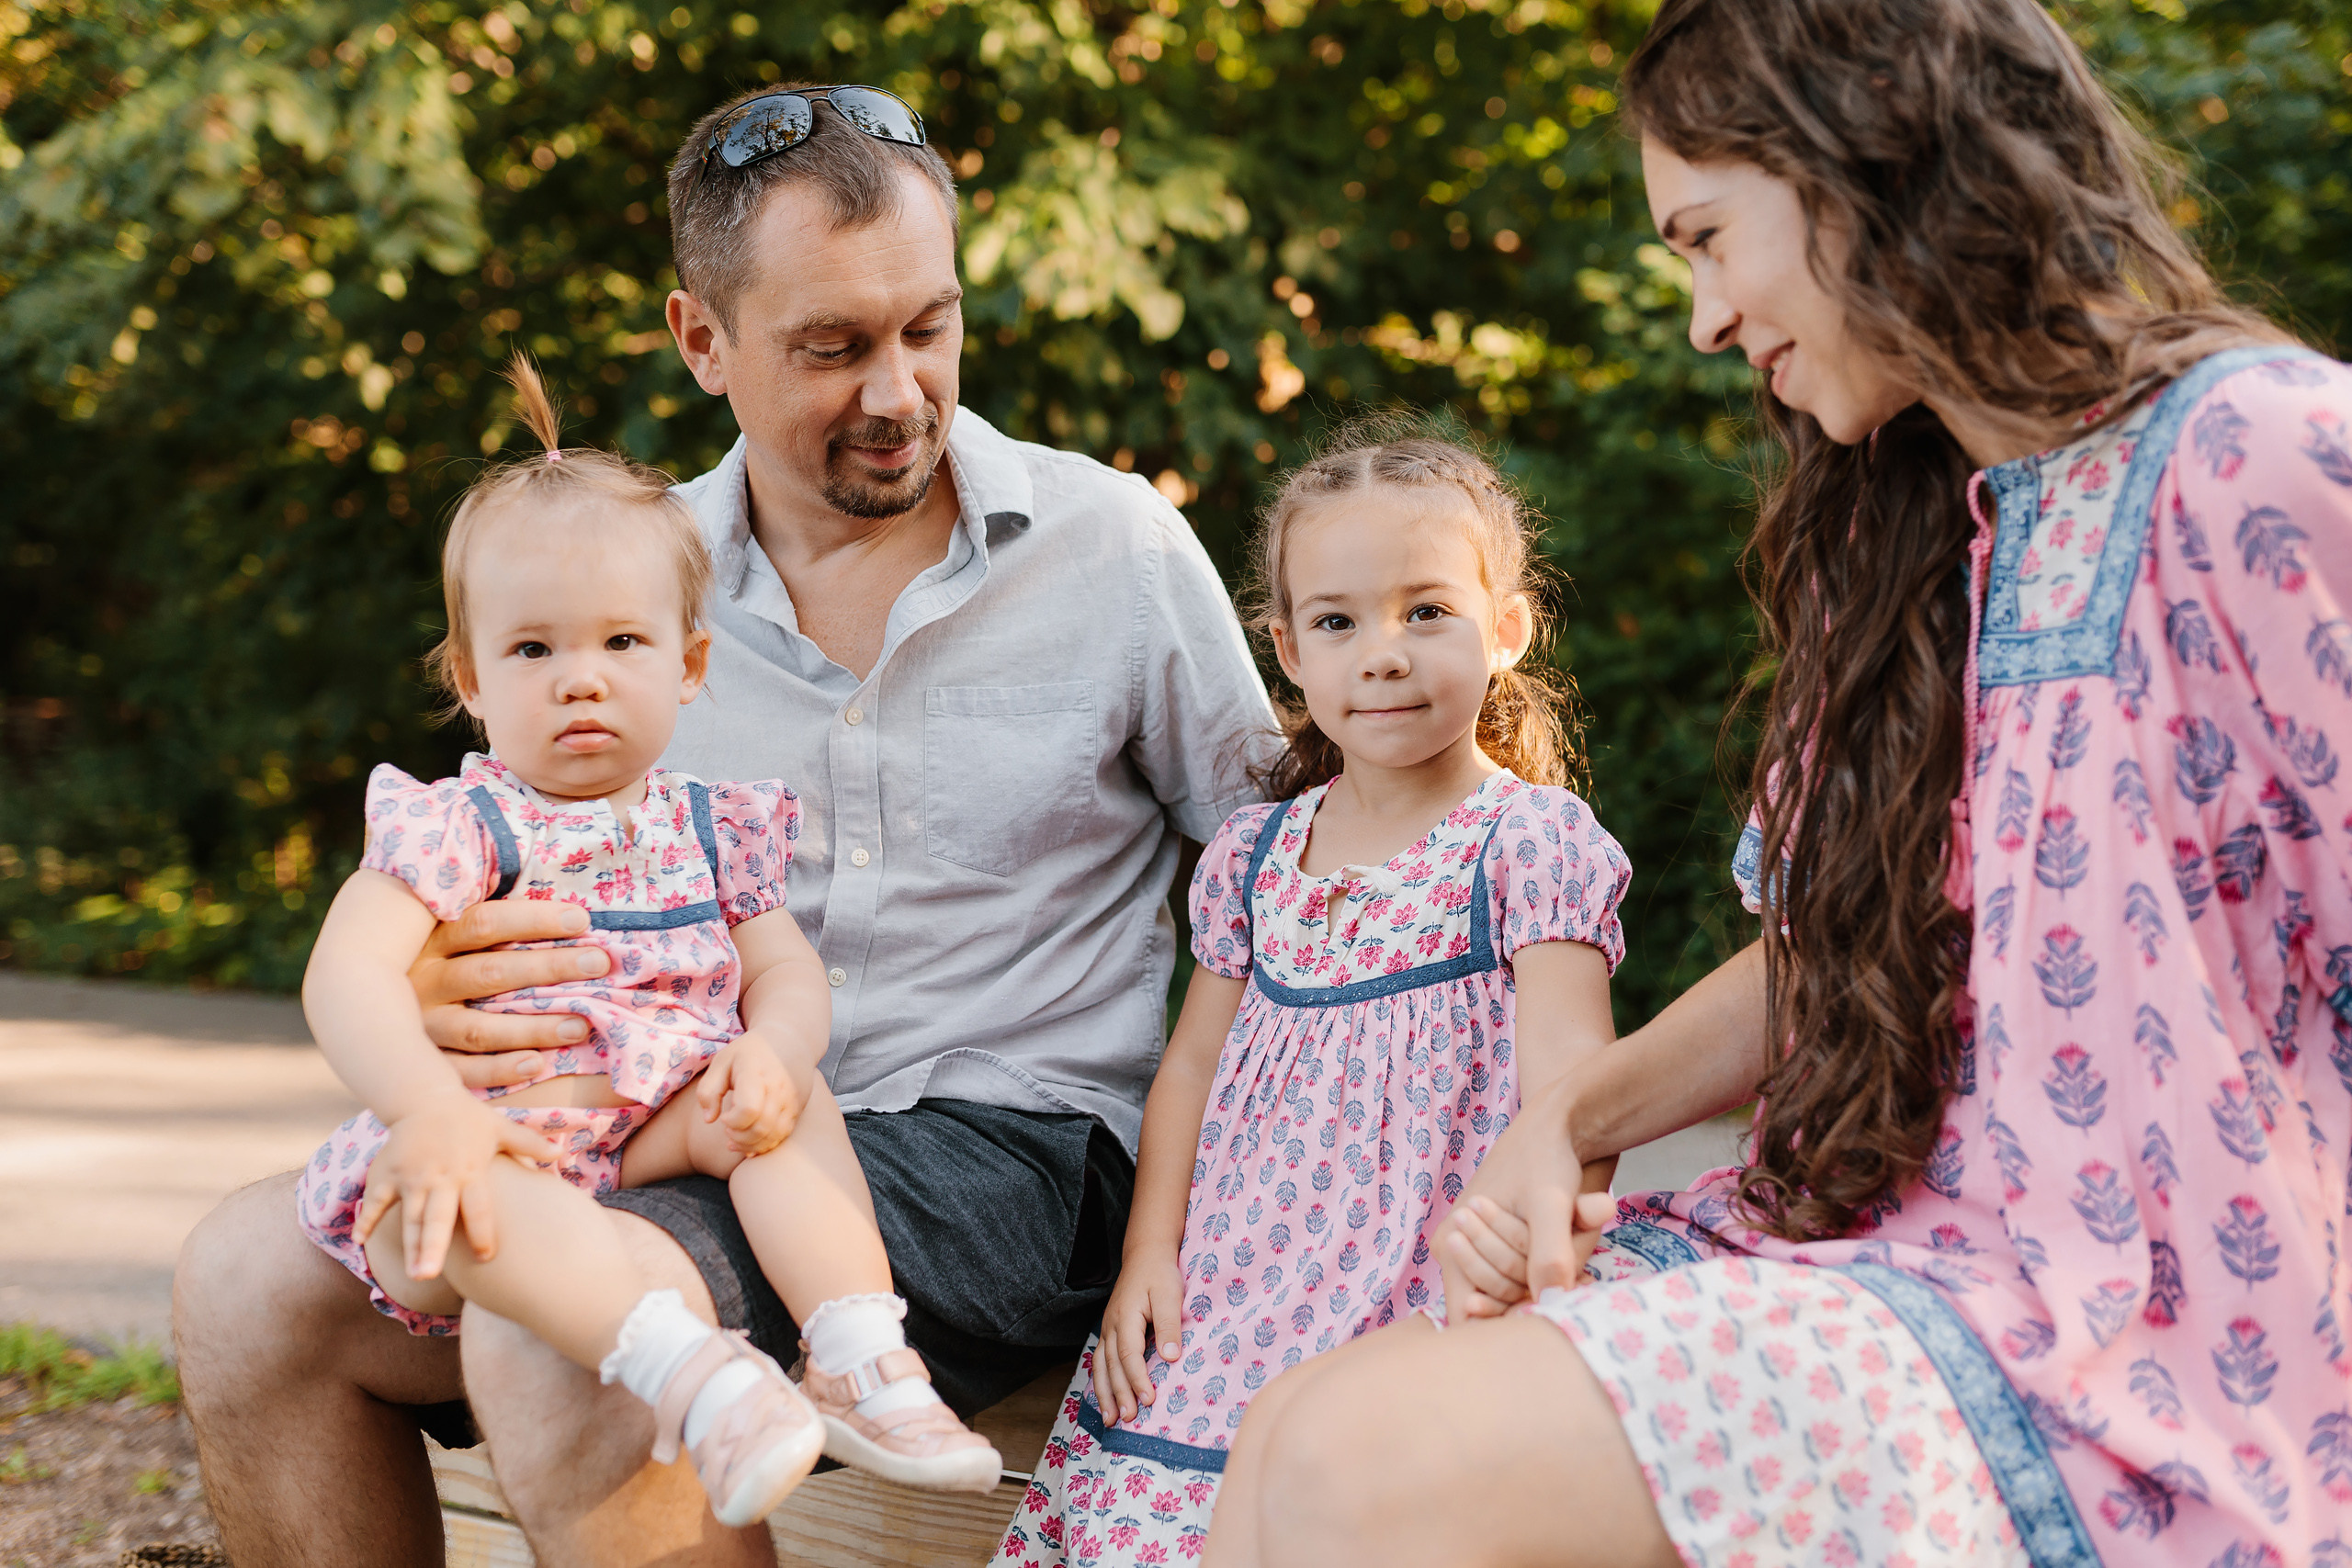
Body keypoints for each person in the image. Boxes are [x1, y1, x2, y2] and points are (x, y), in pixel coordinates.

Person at [1200, 3, 2352, 1567]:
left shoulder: (2264, 452)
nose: (1703, 317)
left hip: (2160, 1360)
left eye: (1708, 238)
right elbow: (1840, 954)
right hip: (1910, 1256)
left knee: (1362, 1463)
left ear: (1861, 157)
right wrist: (1569, 1120)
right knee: (1285, 1430)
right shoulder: (1915, 540)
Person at [174, 84, 1274, 1567]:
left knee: (568, 1345)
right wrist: (429, 996)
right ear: (703, 339)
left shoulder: (1113, 546)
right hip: (649, 1118)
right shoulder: (623, 593)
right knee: (247, 1275)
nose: (896, 391)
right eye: (831, 346)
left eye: (927, 328)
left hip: (1018, 1147)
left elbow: (1293, 871)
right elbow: (467, 876)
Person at [297, 353, 999, 1528]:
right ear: (472, 678)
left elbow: (781, 970)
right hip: (505, 1135)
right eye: (533, 652)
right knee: (480, 1214)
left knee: (781, 1106)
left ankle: (864, 1358)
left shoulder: (709, 826)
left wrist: (773, 1049)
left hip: (653, 1123)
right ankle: (695, 1373)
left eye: (621, 645)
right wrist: (432, 1111)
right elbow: (348, 972)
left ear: (689, 666)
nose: (581, 682)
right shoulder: (462, 824)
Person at [992, 426, 1632, 1567]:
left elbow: (1578, 1088)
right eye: (1337, 623)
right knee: (1158, 1515)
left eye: (1426, 611)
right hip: (1243, 1282)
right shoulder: (1256, 854)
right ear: (1287, 648)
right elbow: (1190, 1069)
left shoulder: (1526, 844)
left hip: (1433, 1271)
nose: (1380, 655)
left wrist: (1524, 1275)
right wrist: (1149, 1256)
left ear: (1509, 628)